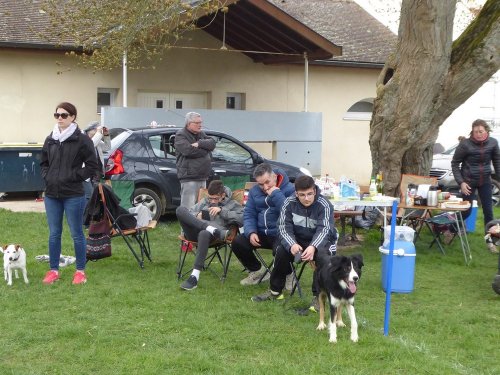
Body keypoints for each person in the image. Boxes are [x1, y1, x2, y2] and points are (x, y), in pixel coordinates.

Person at [251, 175, 337, 307]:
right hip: (297, 241)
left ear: (314, 191)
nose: (307, 198)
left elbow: (324, 229)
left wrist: (313, 246)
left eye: (310, 194)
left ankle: (319, 297)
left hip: (322, 241)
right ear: (296, 193)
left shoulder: (324, 205)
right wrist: (292, 244)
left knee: (323, 257)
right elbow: (283, 227)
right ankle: (275, 291)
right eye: (302, 195)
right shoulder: (289, 203)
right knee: (281, 251)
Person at [40, 102, 99, 285]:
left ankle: (80, 271)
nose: (60, 118)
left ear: (73, 117)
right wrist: (48, 177)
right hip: (52, 195)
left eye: (64, 115)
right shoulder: (51, 138)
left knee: (76, 233)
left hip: (73, 194)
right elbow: (44, 162)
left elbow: (92, 166)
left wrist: (74, 176)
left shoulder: (82, 140)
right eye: (57, 115)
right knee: (54, 233)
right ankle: (53, 270)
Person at [231, 163, 295, 286]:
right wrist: (251, 232)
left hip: (281, 233)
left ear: (275, 176)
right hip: (261, 232)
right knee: (238, 242)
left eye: (267, 182)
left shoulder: (290, 189)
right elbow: (249, 213)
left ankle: (288, 273)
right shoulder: (254, 191)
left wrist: (276, 194)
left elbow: (289, 213)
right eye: (260, 184)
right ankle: (258, 271)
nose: (265, 187)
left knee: (281, 250)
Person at [177, 180, 244, 290]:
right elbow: (189, 212)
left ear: (223, 195)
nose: (212, 201)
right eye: (210, 198)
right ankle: (209, 228)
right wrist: (196, 215)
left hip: (214, 237)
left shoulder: (232, 204)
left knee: (204, 233)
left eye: (215, 199)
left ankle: (194, 276)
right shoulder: (204, 201)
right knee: (180, 210)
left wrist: (221, 211)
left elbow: (242, 219)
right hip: (194, 232)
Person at [451, 119, 500, 253]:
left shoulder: (493, 143)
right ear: (472, 131)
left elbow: (497, 162)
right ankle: (450, 230)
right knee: (466, 210)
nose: (478, 134)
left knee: (489, 212)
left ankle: (491, 242)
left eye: (481, 131)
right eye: (475, 131)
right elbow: (455, 164)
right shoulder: (465, 145)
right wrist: (461, 182)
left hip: (485, 181)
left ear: (486, 131)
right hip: (468, 182)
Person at [175, 112, 216, 208]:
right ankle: (186, 223)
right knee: (188, 208)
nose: (200, 125)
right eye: (197, 123)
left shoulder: (201, 134)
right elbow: (188, 151)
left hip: (202, 177)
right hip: (189, 177)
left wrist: (200, 144)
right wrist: (206, 151)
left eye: (200, 122)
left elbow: (212, 143)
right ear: (189, 123)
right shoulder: (181, 135)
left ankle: (198, 223)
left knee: (201, 207)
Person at [83, 121, 111, 202]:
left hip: (96, 173)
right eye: (96, 129)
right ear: (89, 130)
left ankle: (93, 212)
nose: (98, 131)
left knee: (95, 195)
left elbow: (107, 147)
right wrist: (99, 133)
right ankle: (87, 212)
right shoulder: (83, 139)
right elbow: (90, 146)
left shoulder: (97, 140)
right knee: (89, 195)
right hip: (86, 174)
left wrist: (106, 135)